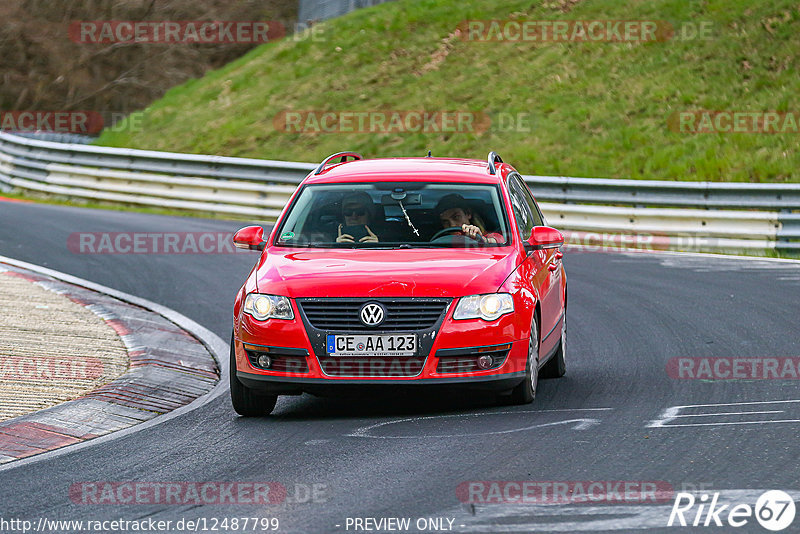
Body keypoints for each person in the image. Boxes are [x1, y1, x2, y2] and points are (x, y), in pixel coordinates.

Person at [434, 194, 504, 244]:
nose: (452, 225)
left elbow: (500, 241)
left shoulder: (486, 235)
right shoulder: (439, 241)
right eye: (445, 221)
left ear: (468, 214)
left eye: (456, 217)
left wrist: (483, 240)